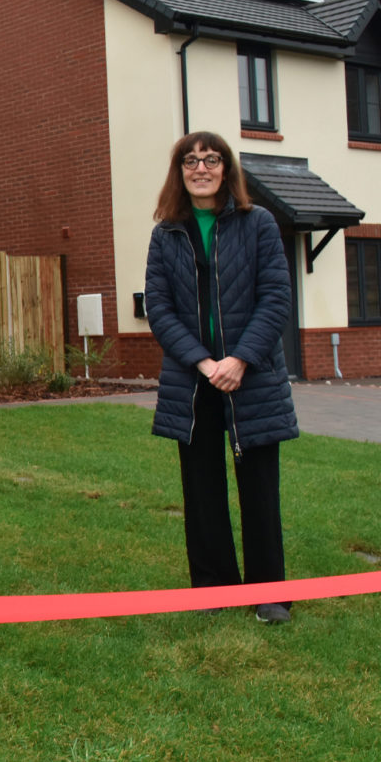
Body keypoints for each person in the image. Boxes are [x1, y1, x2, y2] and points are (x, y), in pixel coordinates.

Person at [144, 131, 299, 624]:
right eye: (191, 161)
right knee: (201, 489)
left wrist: (239, 361)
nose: (201, 168)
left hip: (251, 378)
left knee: (259, 489)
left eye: (211, 160)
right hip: (193, 382)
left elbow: (275, 297)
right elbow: (160, 309)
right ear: (180, 172)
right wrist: (204, 363)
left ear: (226, 169)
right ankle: (212, 588)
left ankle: (269, 594)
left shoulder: (259, 225)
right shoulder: (165, 233)